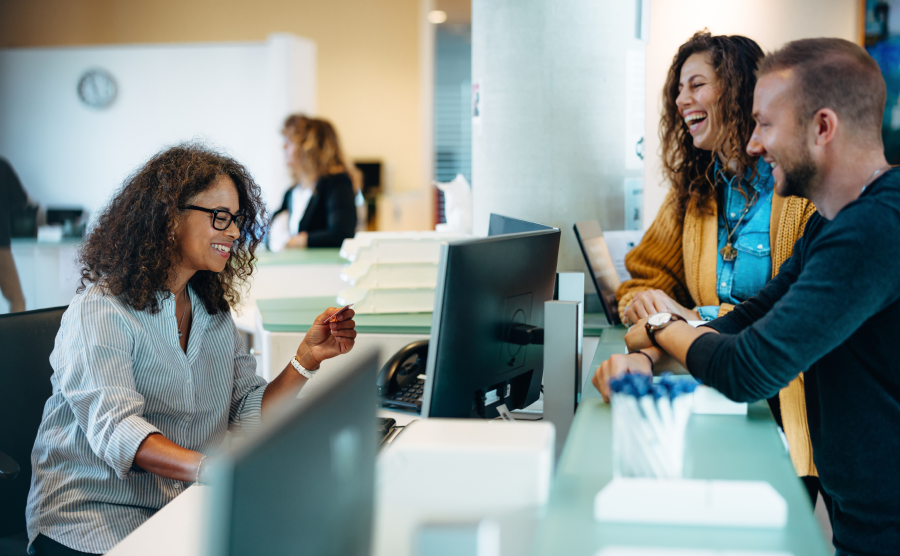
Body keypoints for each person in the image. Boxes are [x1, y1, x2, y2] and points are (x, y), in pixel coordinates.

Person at [594, 38, 900, 556]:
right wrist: (648, 350)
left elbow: (749, 367)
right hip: (863, 515)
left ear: (822, 128)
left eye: (765, 124)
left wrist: (661, 327)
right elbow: (754, 316)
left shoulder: (872, 231)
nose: (754, 143)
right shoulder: (834, 225)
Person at [25, 144, 358, 555]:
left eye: (236, 220)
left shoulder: (212, 313)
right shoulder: (100, 310)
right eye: (220, 217)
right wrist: (213, 469)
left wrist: (305, 360)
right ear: (168, 217)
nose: (234, 232)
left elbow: (246, 410)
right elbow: (118, 431)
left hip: (178, 507)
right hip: (91, 516)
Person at [615, 31, 820, 500]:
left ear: (738, 89)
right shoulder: (695, 190)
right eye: (679, 88)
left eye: (696, 85)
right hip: (709, 381)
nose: (681, 99)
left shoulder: (797, 191)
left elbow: (797, 312)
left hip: (780, 396)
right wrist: (646, 303)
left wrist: (686, 322)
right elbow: (643, 276)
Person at [269, 115, 358, 250]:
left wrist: (290, 242)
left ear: (310, 148)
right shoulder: (292, 192)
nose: (284, 146)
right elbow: (269, 232)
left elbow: (341, 234)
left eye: (290, 141)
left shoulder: (337, 183)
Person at [0, 157, 27, 313]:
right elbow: (20, 200)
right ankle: (19, 338)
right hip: (1, 243)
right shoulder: (2, 167)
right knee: (17, 300)